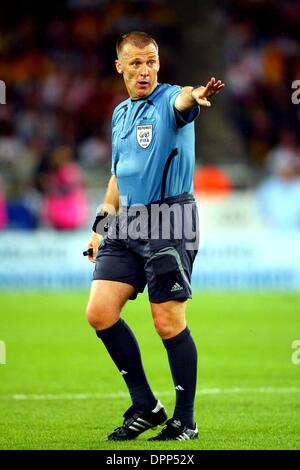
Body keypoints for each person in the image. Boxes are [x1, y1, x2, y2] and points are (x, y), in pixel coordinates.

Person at [84, 31, 224, 441]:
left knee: (167, 321)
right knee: (100, 313)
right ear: (120, 67)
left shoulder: (170, 100)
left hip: (169, 218)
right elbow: (117, 175)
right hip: (127, 223)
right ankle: (146, 405)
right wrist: (100, 228)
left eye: (151, 61)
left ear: (159, 63)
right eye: (136, 63)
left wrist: (193, 95)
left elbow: (184, 99)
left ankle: (185, 420)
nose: (144, 70)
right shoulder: (120, 114)